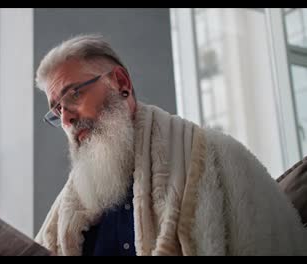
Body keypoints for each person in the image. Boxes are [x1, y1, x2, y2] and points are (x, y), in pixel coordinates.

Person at [34, 34, 307, 256]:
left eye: (74, 94)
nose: (67, 117)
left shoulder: (217, 157)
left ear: (120, 82)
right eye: (57, 110)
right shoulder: (70, 206)